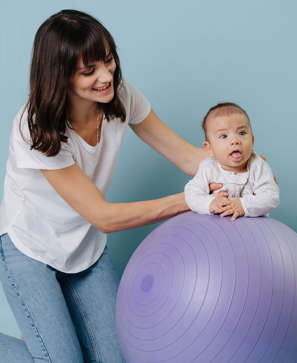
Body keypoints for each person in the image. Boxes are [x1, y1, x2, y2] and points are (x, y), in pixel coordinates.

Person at [0, 9, 210, 362]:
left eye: (108, 61)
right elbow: (104, 217)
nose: (105, 76)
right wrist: (192, 199)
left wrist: (241, 169)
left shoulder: (122, 97)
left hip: (85, 249)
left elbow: (188, 157)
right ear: (60, 76)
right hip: (29, 250)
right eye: (88, 71)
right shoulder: (34, 127)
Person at [185, 102, 280, 221]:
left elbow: (271, 197)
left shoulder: (258, 165)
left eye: (241, 133)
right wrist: (210, 203)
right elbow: (191, 194)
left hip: (252, 229)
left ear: (252, 140)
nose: (235, 140)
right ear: (209, 148)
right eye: (224, 136)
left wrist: (243, 205)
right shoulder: (208, 167)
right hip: (214, 229)